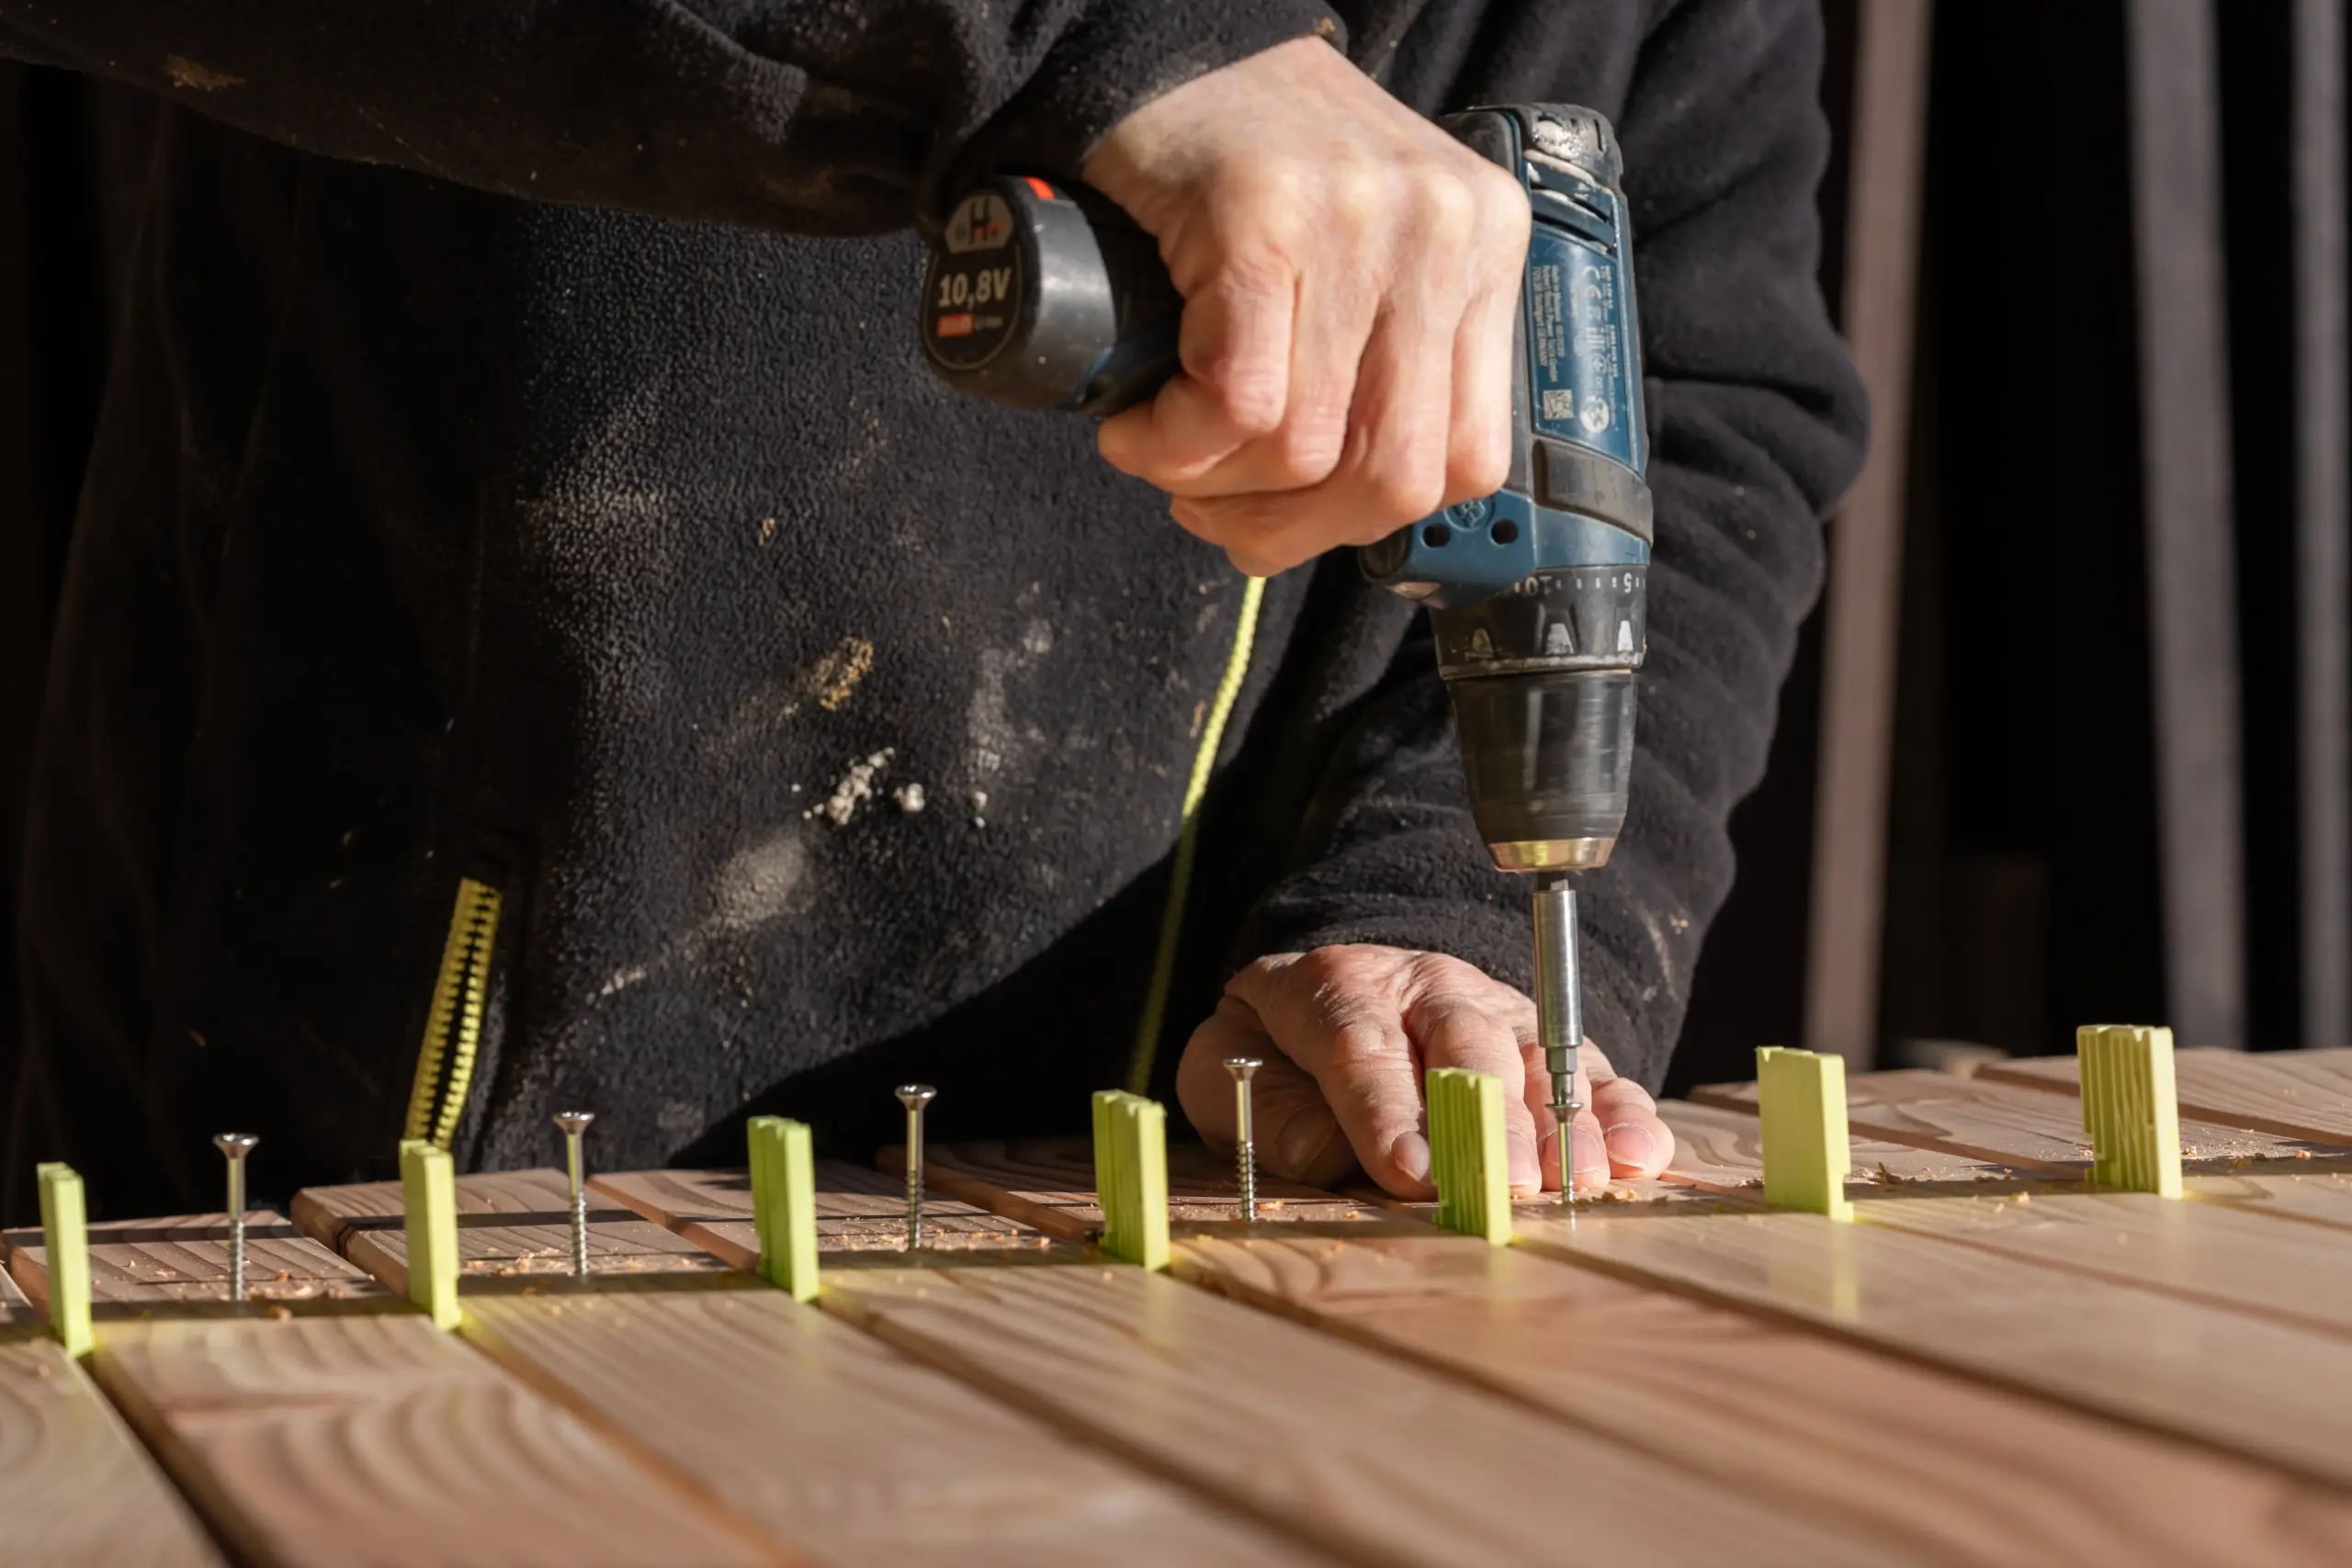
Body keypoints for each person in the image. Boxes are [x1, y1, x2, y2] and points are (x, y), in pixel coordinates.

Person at [0, 3, 1865, 1222]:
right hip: (377, 1198)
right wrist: (1106, 37)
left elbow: (1678, 385)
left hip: (1173, 1250)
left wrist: (1437, 914)